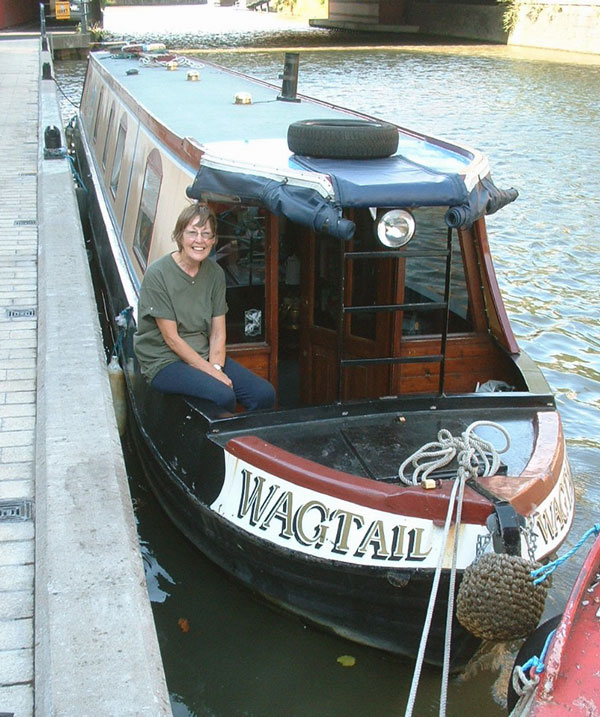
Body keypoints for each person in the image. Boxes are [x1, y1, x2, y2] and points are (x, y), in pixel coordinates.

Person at [133, 202, 275, 413]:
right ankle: (215, 444)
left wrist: (216, 367)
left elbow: (218, 333)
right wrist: (214, 374)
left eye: (206, 234)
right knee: (223, 395)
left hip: (204, 353)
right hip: (165, 360)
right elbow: (172, 339)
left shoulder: (215, 274)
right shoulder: (158, 274)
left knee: (264, 394)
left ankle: (245, 441)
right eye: (192, 233)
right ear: (179, 236)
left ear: (214, 240)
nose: (199, 240)